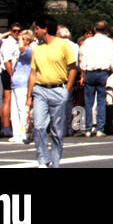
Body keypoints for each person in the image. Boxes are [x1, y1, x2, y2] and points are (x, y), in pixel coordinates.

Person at [26, 18, 77, 168]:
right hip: (40, 90)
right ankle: (43, 159)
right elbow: (33, 73)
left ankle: (55, 162)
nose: (35, 32)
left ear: (45, 29)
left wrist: (67, 90)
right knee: (39, 126)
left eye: (37, 29)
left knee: (56, 130)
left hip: (58, 89)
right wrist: (29, 96)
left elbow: (73, 67)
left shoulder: (63, 45)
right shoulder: (37, 48)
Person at [79, 20, 113, 138]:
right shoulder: (108, 42)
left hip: (89, 72)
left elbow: (82, 58)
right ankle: (100, 128)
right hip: (103, 72)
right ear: (105, 31)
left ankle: (88, 128)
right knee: (101, 101)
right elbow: (112, 58)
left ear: (94, 30)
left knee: (88, 101)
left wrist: (82, 74)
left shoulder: (88, 42)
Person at [8, 30, 34, 143]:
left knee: (23, 109)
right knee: (14, 110)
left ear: (28, 40)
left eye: (23, 39)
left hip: (23, 83)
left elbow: (22, 48)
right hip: (15, 83)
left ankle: (24, 133)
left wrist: (19, 39)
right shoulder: (19, 51)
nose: (20, 41)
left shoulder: (29, 50)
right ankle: (16, 133)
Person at [0, 24, 21, 139]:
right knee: (7, 99)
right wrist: (12, 75)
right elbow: (7, 61)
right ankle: (5, 126)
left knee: (9, 99)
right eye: (14, 31)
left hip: (14, 71)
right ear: (10, 31)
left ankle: (6, 125)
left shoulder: (17, 42)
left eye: (18, 31)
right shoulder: (7, 44)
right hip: (8, 72)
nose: (17, 33)